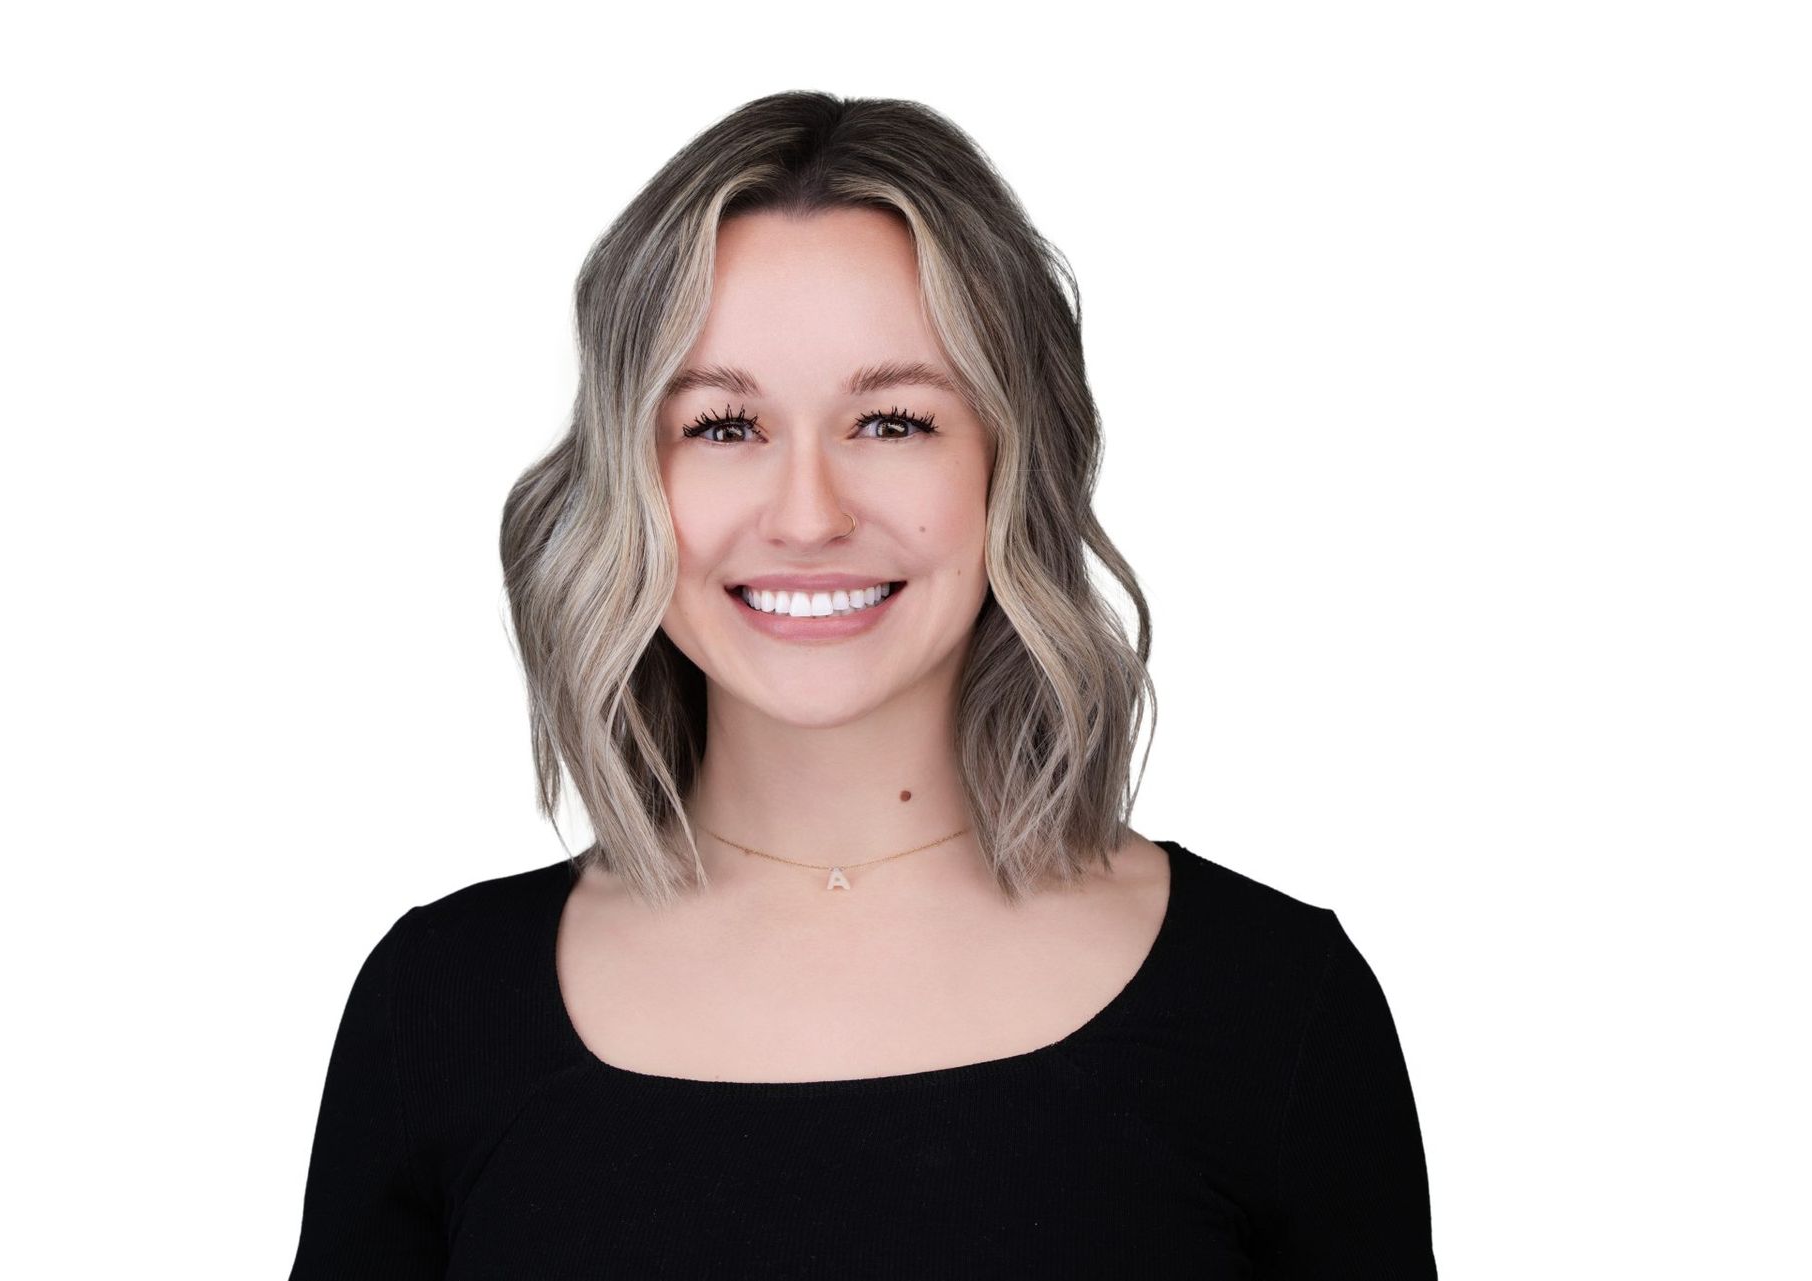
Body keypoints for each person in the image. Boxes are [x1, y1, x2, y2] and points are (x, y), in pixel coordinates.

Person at [286, 90, 1437, 1278]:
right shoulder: (436, 1013)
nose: (808, 516)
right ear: (629, 481)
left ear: (1014, 462)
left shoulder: (1274, 1009)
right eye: (723, 426)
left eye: (891, 423)